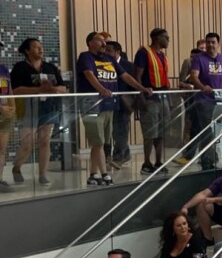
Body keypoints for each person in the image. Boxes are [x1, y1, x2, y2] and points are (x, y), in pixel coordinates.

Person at [76, 31, 152, 186]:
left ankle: (93, 174)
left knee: (101, 141)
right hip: (92, 104)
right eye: (100, 40)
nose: (104, 43)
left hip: (109, 105)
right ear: (90, 42)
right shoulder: (85, 57)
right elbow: (89, 74)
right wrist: (101, 89)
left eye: (105, 41)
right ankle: (103, 173)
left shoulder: (110, 59)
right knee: (98, 141)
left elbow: (125, 76)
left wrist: (141, 88)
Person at [10, 38, 67, 187]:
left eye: (41, 47)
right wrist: (38, 90)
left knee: (44, 141)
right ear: (27, 51)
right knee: (28, 143)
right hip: (27, 109)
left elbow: (63, 88)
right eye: (36, 47)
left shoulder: (50, 67)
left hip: (48, 108)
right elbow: (16, 90)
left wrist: (53, 90)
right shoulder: (20, 68)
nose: (40, 50)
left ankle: (43, 174)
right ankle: (17, 167)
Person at [181, 32, 222, 169]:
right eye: (208, 42)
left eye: (213, 42)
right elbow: (194, 76)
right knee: (207, 130)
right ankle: (208, 160)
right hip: (203, 100)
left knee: (216, 130)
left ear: (218, 44)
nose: (210, 45)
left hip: (220, 100)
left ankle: (210, 156)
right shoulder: (198, 58)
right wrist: (202, 87)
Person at [134, 28, 178, 175]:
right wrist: (141, 97)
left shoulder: (162, 56)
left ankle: (159, 162)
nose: (168, 40)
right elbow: (137, 76)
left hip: (163, 97)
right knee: (150, 132)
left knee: (161, 132)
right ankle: (146, 163)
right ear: (157, 38)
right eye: (166, 37)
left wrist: (170, 99)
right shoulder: (143, 52)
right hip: (149, 98)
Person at [104, 41, 136, 169]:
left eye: (109, 51)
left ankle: (120, 155)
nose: (106, 53)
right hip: (108, 102)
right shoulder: (105, 65)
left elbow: (133, 84)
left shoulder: (128, 66)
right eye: (105, 50)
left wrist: (132, 101)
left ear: (118, 52)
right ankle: (120, 154)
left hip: (123, 103)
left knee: (121, 130)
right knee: (111, 131)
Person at [0, 51, 13, 192]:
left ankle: (0, 178)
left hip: (5, 114)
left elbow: (9, 89)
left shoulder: (3, 69)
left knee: (2, 148)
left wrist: (13, 106)